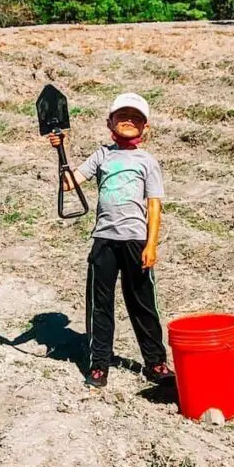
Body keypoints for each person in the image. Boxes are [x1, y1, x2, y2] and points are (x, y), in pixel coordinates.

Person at [48, 92, 174, 389]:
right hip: (104, 240)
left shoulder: (147, 161)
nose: (128, 122)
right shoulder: (102, 155)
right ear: (110, 123)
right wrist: (60, 150)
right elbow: (69, 183)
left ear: (146, 127)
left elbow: (154, 205)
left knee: (143, 305)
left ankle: (155, 363)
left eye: (136, 118)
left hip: (136, 242)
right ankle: (98, 365)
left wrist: (151, 245)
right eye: (122, 116)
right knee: (100, 305)